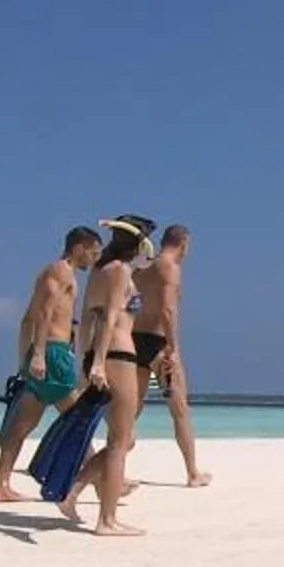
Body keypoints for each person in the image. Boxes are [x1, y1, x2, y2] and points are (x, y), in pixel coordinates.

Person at [58, 215, 158, 536]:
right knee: (121, 441)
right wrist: (98, 362)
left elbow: (89, 318)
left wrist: (87, 361)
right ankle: (107, 520)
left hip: (105, 356)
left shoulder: (102, 271)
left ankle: (73, 494)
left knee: (122, 439)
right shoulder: (119, 272)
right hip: (118, 356)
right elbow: (111, 318)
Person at [0, 226, 100, 503]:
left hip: (46, 354)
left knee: (23, 425)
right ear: (79, 248)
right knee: (78, 419)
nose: (94, 259)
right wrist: (38, 355)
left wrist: (24, 359)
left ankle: (0, 485)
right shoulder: (61, 271)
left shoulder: (52, 272)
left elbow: (27, 318)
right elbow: (43, 314)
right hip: (53, 355)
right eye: (93, 252)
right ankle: (106, 480)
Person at [132, 223, 209, 487]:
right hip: (158, 344)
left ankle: (113, 468)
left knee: (133, 409)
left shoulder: (142, 267)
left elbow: (131, 304)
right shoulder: (170, 268)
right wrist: (173, 349)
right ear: (183, 244)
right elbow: (167, 311)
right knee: (179, 409)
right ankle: (193, 473)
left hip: (134, 340)